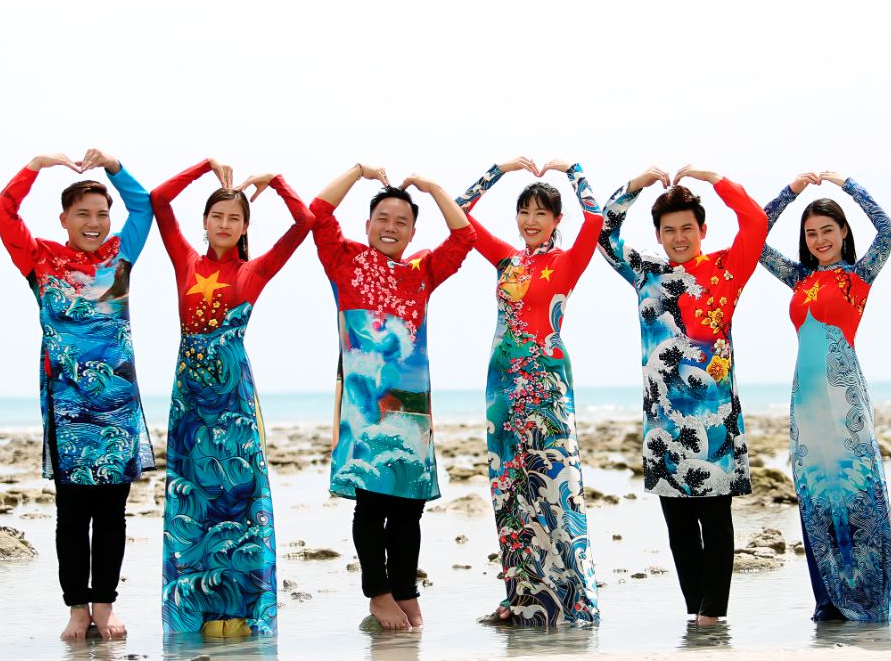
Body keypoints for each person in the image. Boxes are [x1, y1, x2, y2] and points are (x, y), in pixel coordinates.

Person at [0, 149, 156, 641]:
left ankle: (104, 605)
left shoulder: (120, 255)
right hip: (66, 405)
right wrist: (36, 166)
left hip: (117, 405)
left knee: (111, 513)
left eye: (102, 214)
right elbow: (3, 211)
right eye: (83, 214)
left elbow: (143, 205)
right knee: (71, 514)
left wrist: (114, 166)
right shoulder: (40, 259)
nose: (94, 223)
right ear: (63, 219)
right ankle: (76, 610)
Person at [596, 165, 767, 625]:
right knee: (678, 526)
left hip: (715, 419)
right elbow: (603, 232)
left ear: (702, 230)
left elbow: (756, 222)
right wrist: (633, 188)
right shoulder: (646, 273)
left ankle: (714, 615)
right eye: (669, 230)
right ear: (658, 234)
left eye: (687, 228)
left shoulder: (726, 269)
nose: (678, 237)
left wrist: (715, 180)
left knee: (716, 521)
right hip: (662, 420)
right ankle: (696, 616)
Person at [152, 158, 314, 636]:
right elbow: (159, 200)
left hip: (235, 402)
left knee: (240, 499)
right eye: (217, 216)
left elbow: (304, 222)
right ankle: (194, 610)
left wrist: (276, 181)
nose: (224, 224)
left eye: (234, 218)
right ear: (204, 221)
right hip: (189, 403)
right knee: (192, 500)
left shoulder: (253, 270)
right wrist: (204, 167)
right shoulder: (185, 261)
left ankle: (243, 611)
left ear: (245, 227)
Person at [310, 163, 476, 630]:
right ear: (367, 225)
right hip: (364, 405)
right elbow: (317, 212)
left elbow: (464, 237)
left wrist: (434, 187)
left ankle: (406, 591)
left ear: (413, 232)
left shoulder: (421, 272)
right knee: (372, 503)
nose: (391, 227)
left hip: (413, 406)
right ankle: (379, 594)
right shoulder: (345, 260)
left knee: (409, 507)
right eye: (382, 218)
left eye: (402, 221)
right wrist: (357, 172)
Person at [455, 157, 602, 626]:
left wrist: (574, 172)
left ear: (557, 220)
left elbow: (595, 220)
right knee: (510, 490)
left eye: (541, 213)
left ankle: (573, 598)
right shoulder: (506, 260)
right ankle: (522, 598)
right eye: (524, 211)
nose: (531, 221)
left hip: (546, 383)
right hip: (502, 385)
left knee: (557, 489)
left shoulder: (566, 262)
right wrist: (495, 172)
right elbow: (459, 212)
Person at [759, 171, 891, 621]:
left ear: (843, 232)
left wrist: (848, 185)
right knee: (816, 495)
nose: (819, 240)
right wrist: (790, 193)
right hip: (806, 405)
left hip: (845, 402)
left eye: (827, 230)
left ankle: (868, 601)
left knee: (857, 493)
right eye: (811, 233)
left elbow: (888, 228)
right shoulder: (799, 279)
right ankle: (831, 601)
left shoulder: (859, 276)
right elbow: (756, 238)